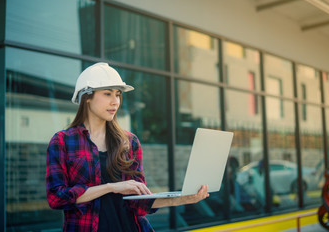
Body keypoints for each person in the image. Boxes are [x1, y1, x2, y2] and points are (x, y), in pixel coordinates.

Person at [45, 62, 209, 232]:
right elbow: (57, 198)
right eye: (107, 94)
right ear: (87, 97)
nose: (115, 101)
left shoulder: (129, 142)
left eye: (118, 95)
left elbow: (140, 203)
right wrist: (111, 187)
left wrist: (183, 199)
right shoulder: (63, 141)